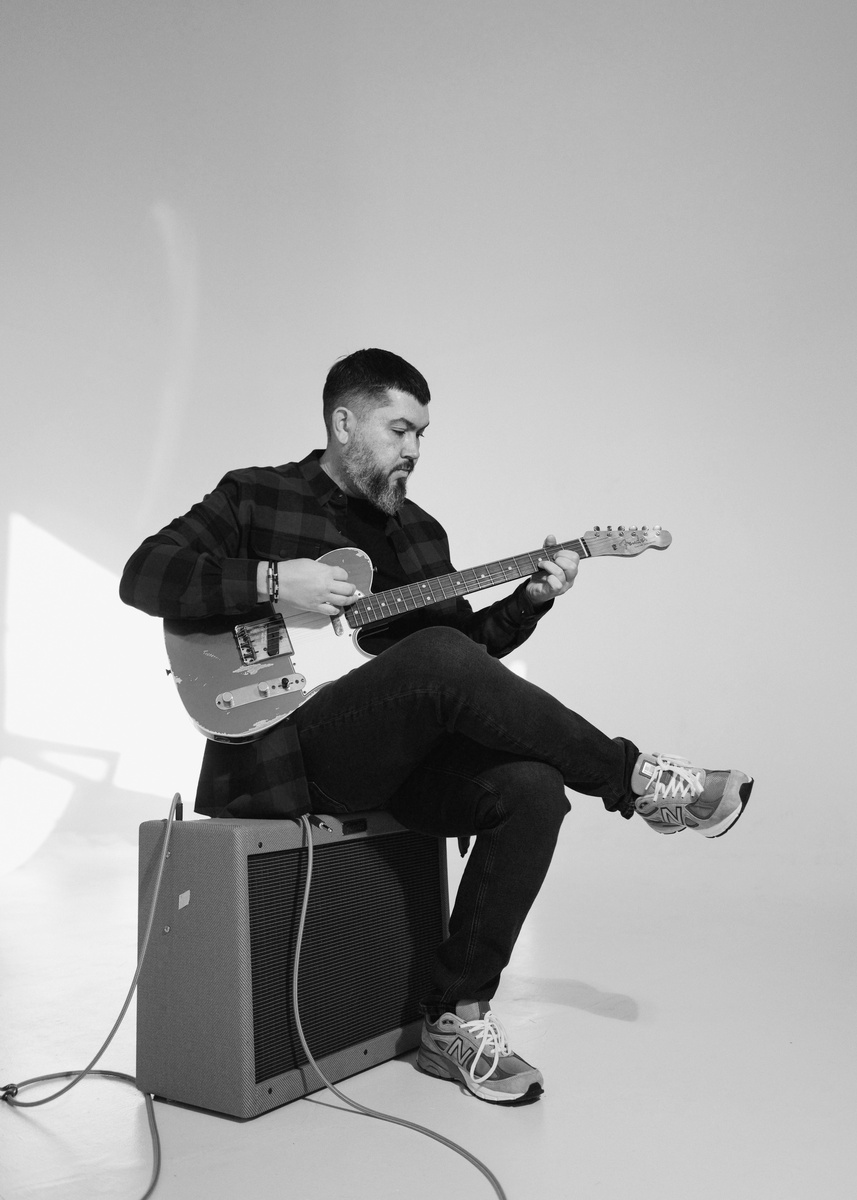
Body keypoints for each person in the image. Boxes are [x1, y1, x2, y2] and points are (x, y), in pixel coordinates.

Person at [120, 347, 752, 1107]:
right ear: (343, 423)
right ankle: (636, 779)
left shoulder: (419, 531)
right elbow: (143, 574)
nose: (414, 449)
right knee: (439, 656)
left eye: (422, 433)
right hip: (289, 748)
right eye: (399, 430)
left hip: (393, 759)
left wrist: (529, 601)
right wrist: (276, 579)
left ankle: (455, 1018)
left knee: (532, 788)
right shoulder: (256, 496)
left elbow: (461, 670)